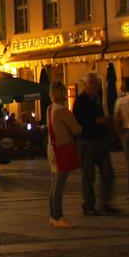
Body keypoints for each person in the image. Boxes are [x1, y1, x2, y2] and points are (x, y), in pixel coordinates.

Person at [74, 72, 117, 215]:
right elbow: (78, 122)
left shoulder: (96, 100)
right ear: (86, 85)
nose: (96, 87)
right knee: (88, 175)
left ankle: (105, 203)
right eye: (93, 84)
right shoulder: (80, 101)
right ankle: (89, 205)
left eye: (97, 84)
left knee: (108, 173)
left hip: (99, 141)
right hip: (86, 141)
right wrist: (96, 121)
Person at [48, 81, 81, 228]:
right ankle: (58, 216)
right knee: (59, 185)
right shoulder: (62, 110)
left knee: (54, 183)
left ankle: (53, 215)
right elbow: (77, 129)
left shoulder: (50, 109)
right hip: (62, 149)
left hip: (52, 148)